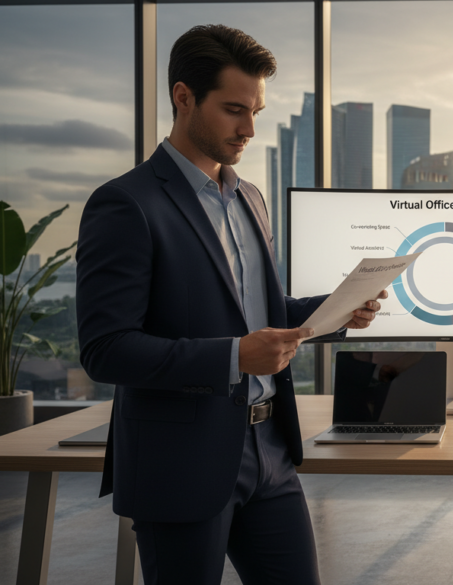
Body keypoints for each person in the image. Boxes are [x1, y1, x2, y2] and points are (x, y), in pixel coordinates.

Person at [76, 24, 381, 584]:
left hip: (270, 449)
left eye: (256, 111)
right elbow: (106, 350)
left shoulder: (250, 198)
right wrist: (235, 357)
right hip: (181, 460)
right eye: (234, 110)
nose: (249, 130)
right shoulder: (125, 203)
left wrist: (338, 310)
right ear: (183, 97)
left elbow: (259, 311)